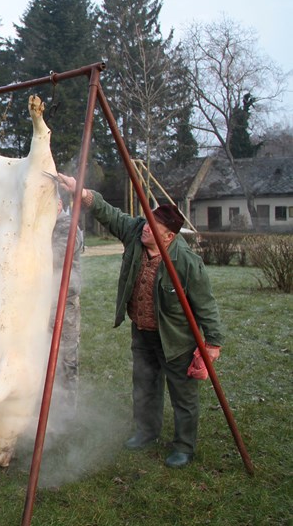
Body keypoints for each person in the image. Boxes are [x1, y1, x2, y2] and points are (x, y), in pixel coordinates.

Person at [57, 174, 224, 468]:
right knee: (145, 385)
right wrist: (81, 192)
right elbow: (109, 213)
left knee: (183, 395)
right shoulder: (136, 234)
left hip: (176, 339)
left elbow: (206, 305)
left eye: (152, 228)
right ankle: (146, 432)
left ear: (168, 237)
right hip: (143, 332)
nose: (145, 228)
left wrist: (212, 344)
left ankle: (184, 446)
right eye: (147, 222)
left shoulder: (186, 262)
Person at [51, 195, 84, 419]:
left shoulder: (67, 227)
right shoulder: (44, 225)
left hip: (65, 304)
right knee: (42, 354)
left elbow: (57, 257)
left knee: (66, 357)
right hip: (41, 302)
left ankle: (66, 412)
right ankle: (45, 403)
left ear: (59, 204)